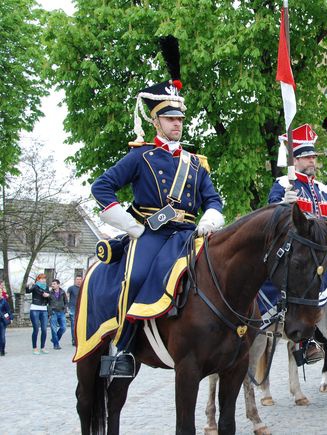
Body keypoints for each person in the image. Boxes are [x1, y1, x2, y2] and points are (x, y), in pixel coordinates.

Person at [89, 36, 224, 376]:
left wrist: (210, 218)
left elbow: (214, 199)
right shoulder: (140, 156)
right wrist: (130, 226)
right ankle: (123, 349)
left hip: (189, 233)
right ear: (156, 121)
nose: (176, 123)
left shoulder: (196, 163)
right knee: (134, 277)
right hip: (151, 233)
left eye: (179, 118)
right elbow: (101, 186)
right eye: (169, 119)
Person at [268, 123, 327, 363]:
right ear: (295, 160)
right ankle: (303, 340)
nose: (311, 161)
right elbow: (270, 215)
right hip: (297, 248)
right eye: (306, 157)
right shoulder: (284, 184)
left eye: (313, 156)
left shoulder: (320, 189)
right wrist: (281, 203)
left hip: (321, 244)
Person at [27, 274, 50, 355]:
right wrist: (28, 285)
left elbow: (49, 296)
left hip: (44, 309)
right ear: (38, 279)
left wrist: (48, 296)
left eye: (44, 279)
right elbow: (28, 291)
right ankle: (35, 348)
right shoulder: (35, 286)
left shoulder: (46, 287)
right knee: (36, 329)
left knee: (44, 329)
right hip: (35, 309)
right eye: (42, 279)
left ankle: (43, 347)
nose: (43, 280)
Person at [48, 279, 68, 350]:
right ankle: (56, 345)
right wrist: (50, 312)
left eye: (54, 284)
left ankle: (54, 340)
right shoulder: (49, 293)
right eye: (52, 284)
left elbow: (66, 302)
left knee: (63, 328)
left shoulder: (63, 292)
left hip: (61, 312)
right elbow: (48, 304)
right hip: (53, 312)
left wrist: (65, 309)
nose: (52, 285)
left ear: (58, 285)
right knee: (54, 329)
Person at [67, 276, 82, 346]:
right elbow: (67, 297)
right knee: (73, 325)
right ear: (75, 280)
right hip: (73, 308)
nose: (79, 281)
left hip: (81, 308)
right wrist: (67, 307)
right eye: (77, 279)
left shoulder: (83, 287)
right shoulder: (71, 288)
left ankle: (80, 339)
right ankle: (74, 340)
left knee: (81, 325)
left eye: (80, 279)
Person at [0, 283, 13, 356]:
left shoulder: (4, 301)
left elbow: (8, 311)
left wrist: (10, 318)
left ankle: (2, 350)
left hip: (2, 321)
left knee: (2, 336)